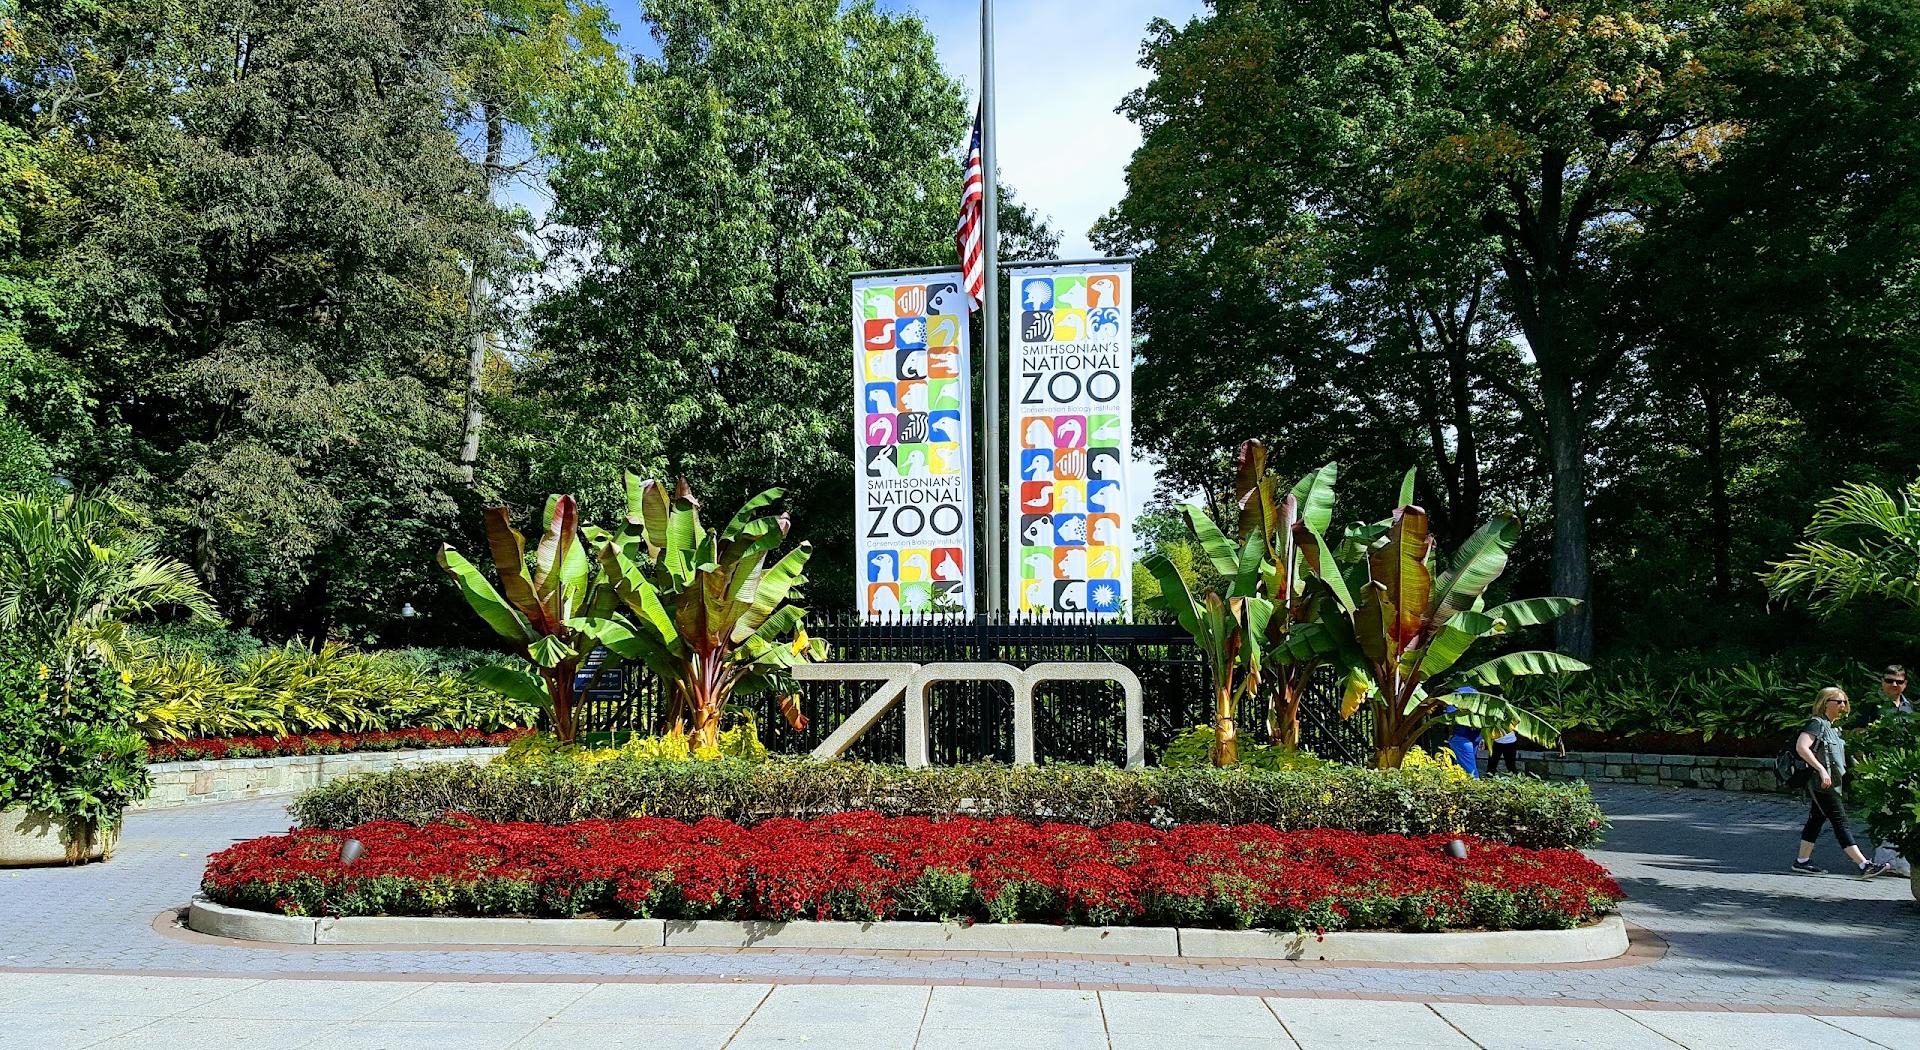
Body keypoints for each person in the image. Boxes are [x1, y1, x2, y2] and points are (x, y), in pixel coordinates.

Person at [1792, 687, 1890, 878]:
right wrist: (1821, 770)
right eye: (1838, 702)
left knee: (1816, 819)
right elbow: (1801, 747)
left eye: (1845, 701)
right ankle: (1863, 865)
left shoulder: (1833, 727)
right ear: (1824, 703)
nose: (1843, 705)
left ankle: (1802, 861)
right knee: (1840, 821)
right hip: (1822, 783)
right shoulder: (1817, 723)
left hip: (1831, 782)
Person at [1444, 687, 1483, 777]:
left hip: (1463, 737)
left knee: (1468, 768)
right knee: (1469, 767)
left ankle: (1473, 786)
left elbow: (1449, 718)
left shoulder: (1457, 696)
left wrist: (1450, 734)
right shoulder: (1476, 694)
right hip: (1469, 737)